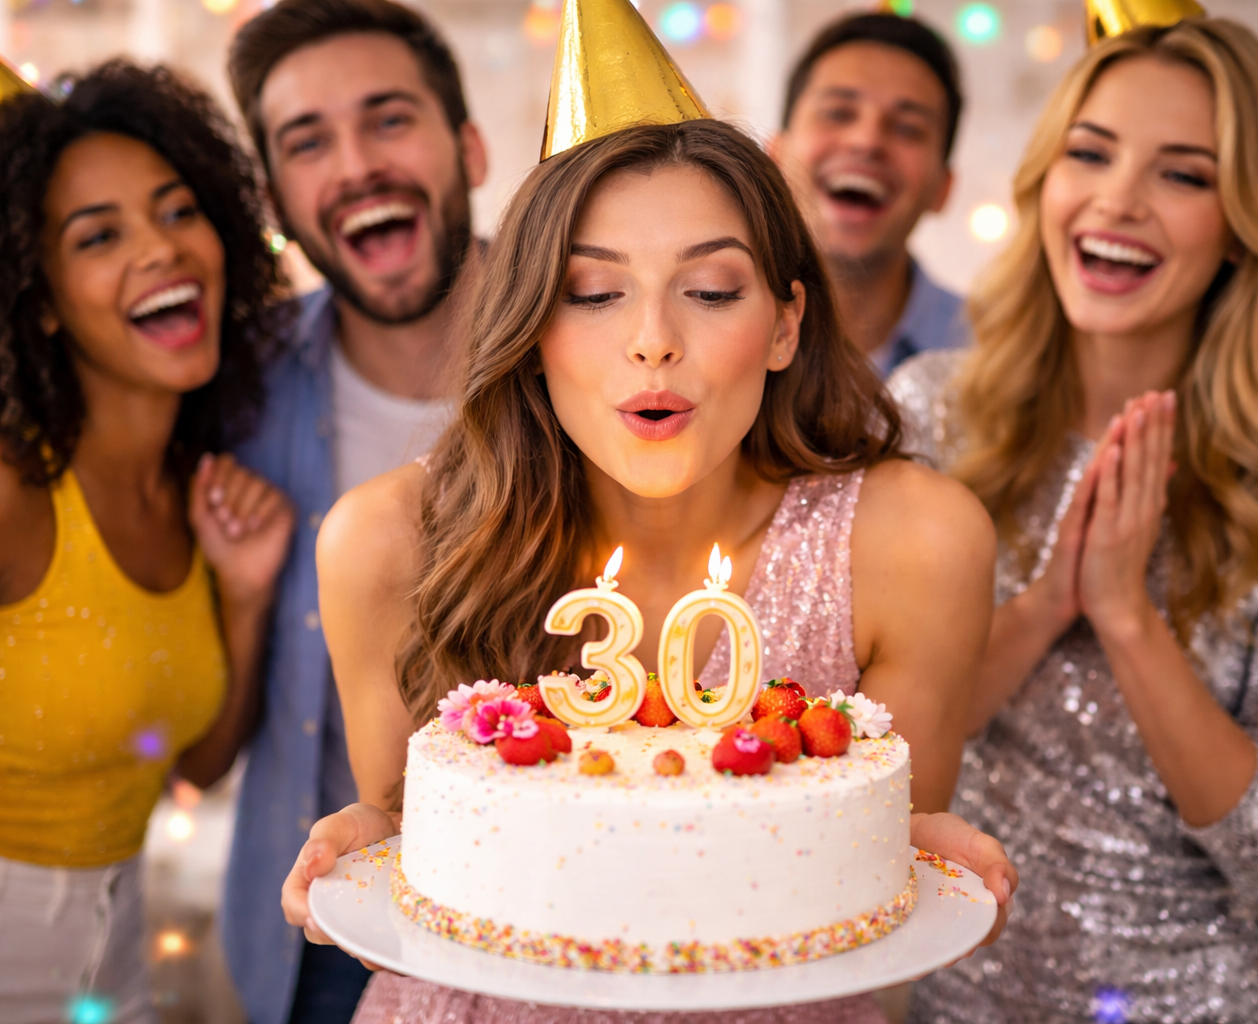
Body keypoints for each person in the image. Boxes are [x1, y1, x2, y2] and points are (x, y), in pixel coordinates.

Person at [279, 1, 1017, 1021]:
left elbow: (862, 890)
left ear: (785, 324)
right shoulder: (385, 545)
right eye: (593, 293)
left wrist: (902, 851)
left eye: (711, 291)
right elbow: (432, 866)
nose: (653, 342)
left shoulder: (915, 543)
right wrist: (375, 832)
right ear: (532, 326)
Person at [889, 15, 1258, 1023]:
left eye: (1184, 175)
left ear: (1245, 221)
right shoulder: (931, 410)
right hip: (961, 988)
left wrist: (1125, 614)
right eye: (1092, 153)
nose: (1118, 200)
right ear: (1046, 180)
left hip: (1201, 998)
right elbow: (879, 759)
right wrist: (1044, 604)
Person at [0, 62, 293, 1024]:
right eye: (99, 236)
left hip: (115, 973)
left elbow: (187, 768)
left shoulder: (196, 488)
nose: (162, 251)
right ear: (38, 296)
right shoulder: (12, 491)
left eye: (177, 212)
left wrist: (245, 600)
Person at [217, 1, 488, 1022]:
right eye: (307, 142)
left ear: (468, 146)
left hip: (558, 920)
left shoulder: (599, 352)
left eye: (388, 119)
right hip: (320, 930)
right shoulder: (236, 386)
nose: (357, 164)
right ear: (280, 193)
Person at [769, 12, 967, 377]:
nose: (867, 141)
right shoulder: (706, 338)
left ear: (943, 189)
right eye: (838, 113)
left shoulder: (1002, 357)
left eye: (909, 128)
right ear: (774, 156)